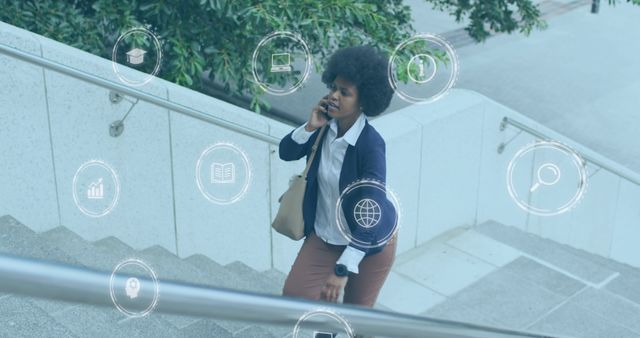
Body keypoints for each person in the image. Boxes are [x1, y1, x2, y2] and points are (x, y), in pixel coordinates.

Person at [279, 46, 397, 333]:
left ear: (363, 101)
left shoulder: (371, 144)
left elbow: (372, 211)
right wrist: (309, 126)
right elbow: (286, 152)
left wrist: (342, 270)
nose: (334, 95)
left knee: (355, 315)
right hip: (325, 234)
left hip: (367, 241)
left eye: (345, 92)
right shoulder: (323, 126)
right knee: (295, 296)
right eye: (334, 87)